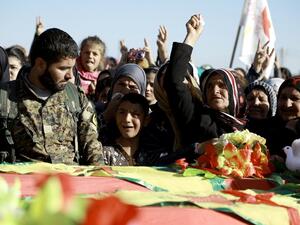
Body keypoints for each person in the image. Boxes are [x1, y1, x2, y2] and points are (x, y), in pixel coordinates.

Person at [0, 28, 104, 165]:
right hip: (23, 183)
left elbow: (92, 148)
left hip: (70, 182)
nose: (70, 76)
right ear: (40, 64)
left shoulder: (76, 97)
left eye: (72, 68)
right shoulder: (5, 98)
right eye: (62, 69)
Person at [164, 14, 245, 148]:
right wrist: (191, 37)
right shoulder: (198, 118)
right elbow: (175, 82)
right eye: (209, 86)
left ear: (234, 92)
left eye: (221, 85)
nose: (215, 90)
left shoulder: (248, 125)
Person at [103, 93, 149, 165]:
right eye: (122, 112)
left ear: (146, 120)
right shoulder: (106, 153)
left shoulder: (151, 154)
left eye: (135, 114)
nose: (127, 119)